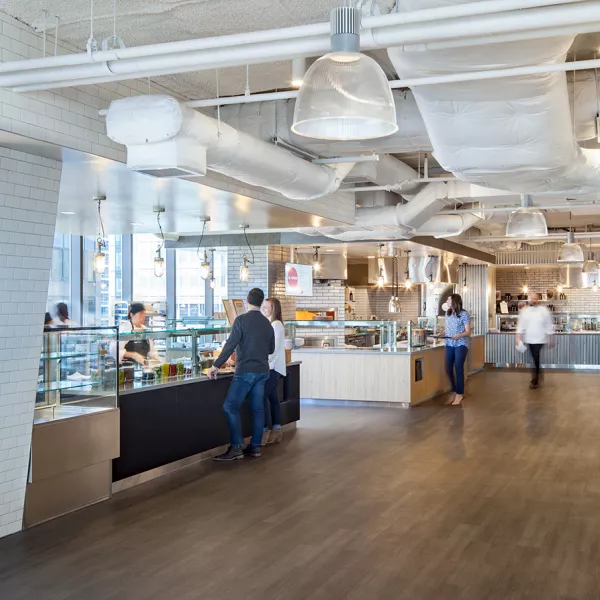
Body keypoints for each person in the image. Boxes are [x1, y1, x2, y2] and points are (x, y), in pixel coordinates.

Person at [208, 288, 275, 461]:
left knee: (230, 407)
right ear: (260, 302)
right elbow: (272, 349)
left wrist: (215, 365)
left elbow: (230, 344)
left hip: (245, 371)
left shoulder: (241, 320)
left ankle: (236, 447)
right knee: (258, 409)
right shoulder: (267, 323)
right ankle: (255, 447)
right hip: (263, 371)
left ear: (247, 300)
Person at [261, 297, 286, 446]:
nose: (263, 308)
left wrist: (265, 362)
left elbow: (274, 350)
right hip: (273, 366)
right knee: (273, 399)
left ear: (273, 309)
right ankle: (276, 430)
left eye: (266, 306)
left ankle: (264, 430)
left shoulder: (276, 325)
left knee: (262, 397)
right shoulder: (272, 324)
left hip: (272, 367)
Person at [516, 292, 554, 389]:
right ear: (529, 299)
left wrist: (551, 338)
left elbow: (548, 324)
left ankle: (535, 379)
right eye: (532, 298)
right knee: (533, 358)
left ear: (538, 299)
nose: (534, 300)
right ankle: (538, 373)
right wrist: (518, 337)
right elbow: (520, 325)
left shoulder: (543, 310)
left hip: (540, 339)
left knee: (535, 357)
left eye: (535, 298)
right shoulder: (525, 311)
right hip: (529, 339)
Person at [445, 293, 471, 406]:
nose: (446, 300)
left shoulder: (464, 314)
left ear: (454, 301)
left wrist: (458, 336)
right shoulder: (448, 313)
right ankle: (454, 390)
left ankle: (459, 393)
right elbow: (448, 329)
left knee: (458, 367)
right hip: (449, 343)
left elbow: (468, 332)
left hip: (461, 344)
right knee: (447, 368)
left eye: (448, 299)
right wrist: (442, 333)